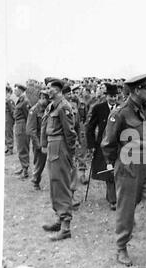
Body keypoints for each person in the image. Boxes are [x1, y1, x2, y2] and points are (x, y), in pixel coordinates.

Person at [101, 73, 146, 268]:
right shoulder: (121, 113)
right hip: (128, 166)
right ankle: (121, 247)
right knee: (126, 209)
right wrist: (117, 164)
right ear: (135, 90)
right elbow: (108, 144)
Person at [40, 78, 77, 241]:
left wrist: (70, 153)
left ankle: (66, 226)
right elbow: (44, 126)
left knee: (61, 184)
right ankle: (59, 218)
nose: (47, 90)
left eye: (49, 88)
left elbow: (70, 133)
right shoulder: (51, 106)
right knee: (55, 183)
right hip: (52, 145)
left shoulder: (64, 106)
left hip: (61, 146)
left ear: (57, 89)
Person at [85, 83, 118, 210]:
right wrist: (91, 144)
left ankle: (112, 196)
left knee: (115, 170)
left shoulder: (121, 108)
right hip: (103, 145)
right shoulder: (98, 108)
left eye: (115, 96)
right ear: (106, 96)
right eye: (111, 96)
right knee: (108, 170)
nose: (113, 99)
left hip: (117, 146)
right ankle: (113, 200)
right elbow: (90, 128)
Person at [26, 90, 49, 190]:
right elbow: (31, 130)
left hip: (47, 139)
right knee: (39, 162)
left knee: (42, 162)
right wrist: (38, 145)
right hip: (38, 141)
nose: (48, 101)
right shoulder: (34, 110)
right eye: (46, 98)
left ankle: (36, 180)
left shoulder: (47, 109)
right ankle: (35, 181)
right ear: (42, 97)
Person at [13, 83, 30, 179]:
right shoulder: (20, 100)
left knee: (23, 147)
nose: (14, 91)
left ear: (21, 90)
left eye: (16, 89)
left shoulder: (25, 101)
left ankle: (25, 170)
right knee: (20, 147)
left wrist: (27, 128)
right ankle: (23, 167)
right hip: (19, 125)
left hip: (23, 126)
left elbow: (28, 116)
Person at [5, 86, 15, 156]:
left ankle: (10, 148)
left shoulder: (10, 100)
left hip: (9, 119)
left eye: (7, 92)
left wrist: (13, 120)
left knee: (9, 132)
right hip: (6, 118)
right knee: (6, 133)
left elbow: (13, 111)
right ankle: (8, 148)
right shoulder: (6, 100)